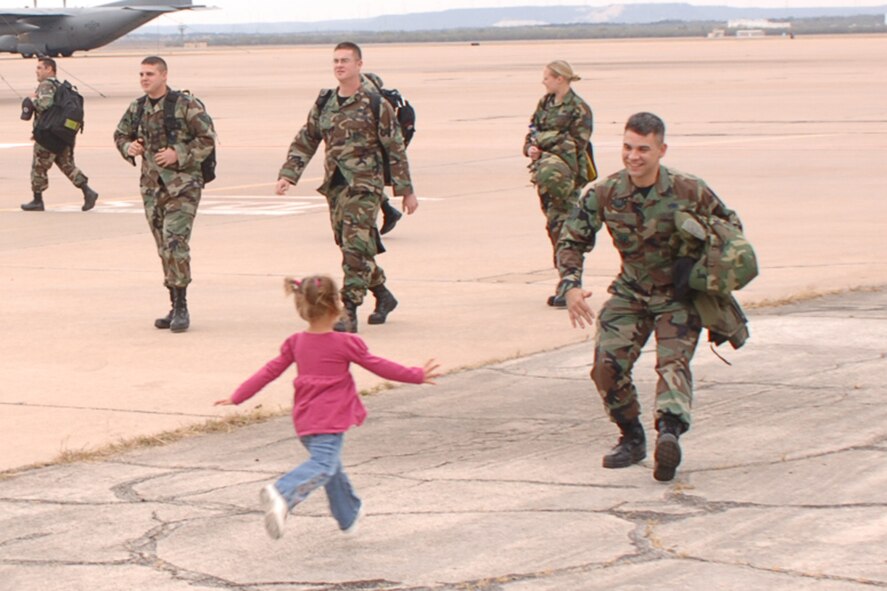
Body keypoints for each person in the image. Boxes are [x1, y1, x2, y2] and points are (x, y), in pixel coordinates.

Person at [556, 112, 744, 482]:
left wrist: (702, 269)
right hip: (631, 292)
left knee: (673, 365)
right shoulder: (605, 192)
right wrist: (571, 284)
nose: (633, 156)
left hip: (679, 296)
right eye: (627, 147)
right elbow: (573, 238)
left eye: (643, 148)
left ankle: (669, 435)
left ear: (661, 150)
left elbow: (731, 231)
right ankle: (632, 436)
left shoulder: (689, 189)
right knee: (605, 366)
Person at [214, 274, 440, 539]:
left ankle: (348, 515)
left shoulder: (295, 343)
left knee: (331, 467)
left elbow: (269, 371)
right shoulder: (345, 343)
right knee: (324, 464)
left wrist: (238, 396)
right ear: (336, 305)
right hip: (329, 418)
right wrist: (415, 375)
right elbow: (379, 365)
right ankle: (283, 494)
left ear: (303, 307)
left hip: (305, 419)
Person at [275, 41, 418, 333]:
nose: (339, 65)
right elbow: (308, 138)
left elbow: (395, 148)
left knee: (354, 246)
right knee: (352, 245)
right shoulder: (326, 101)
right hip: (336, 185)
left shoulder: (376, 103)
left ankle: (349, 309)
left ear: (359, 65)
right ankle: (384, 294)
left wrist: (406, 190)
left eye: (345, 61)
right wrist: (289, 173)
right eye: (336, 61)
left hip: (365, 185)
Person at [113, 56, 216, 333]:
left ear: (164, 75)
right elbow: (120, 134)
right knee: (162, 245)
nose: (144, 79)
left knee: (174, 241)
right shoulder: (137, 107)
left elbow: (207, 139)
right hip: (151, 187)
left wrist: (178, 153)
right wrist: (129, 148)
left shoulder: (185, 105)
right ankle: (173, 303)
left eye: (150, 74)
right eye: (141, 74)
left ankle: (182, 306)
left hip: (183, 185)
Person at [523, 60, 593, 308]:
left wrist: (545, 144)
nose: (544, 81)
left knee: (567, 230)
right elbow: (532, 132)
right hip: (545, 177)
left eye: (547, 77)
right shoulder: (545, 103)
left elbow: (576, 144)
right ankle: (566, 281)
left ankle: (570, 285)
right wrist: (532, 149)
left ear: (560, 79)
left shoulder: (579, 109)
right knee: (554, 229)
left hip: (567, 178)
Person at [20, 57, 98, 212]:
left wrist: (32, 100)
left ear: (49, 69)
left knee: (38, 167)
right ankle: (88, 191)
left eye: (40, 68)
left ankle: (37, 200)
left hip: (48, 136)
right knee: (67, 165)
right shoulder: (60, 86)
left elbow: (45, 105)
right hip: (62, 134)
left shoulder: (46, 85)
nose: (37, 71)